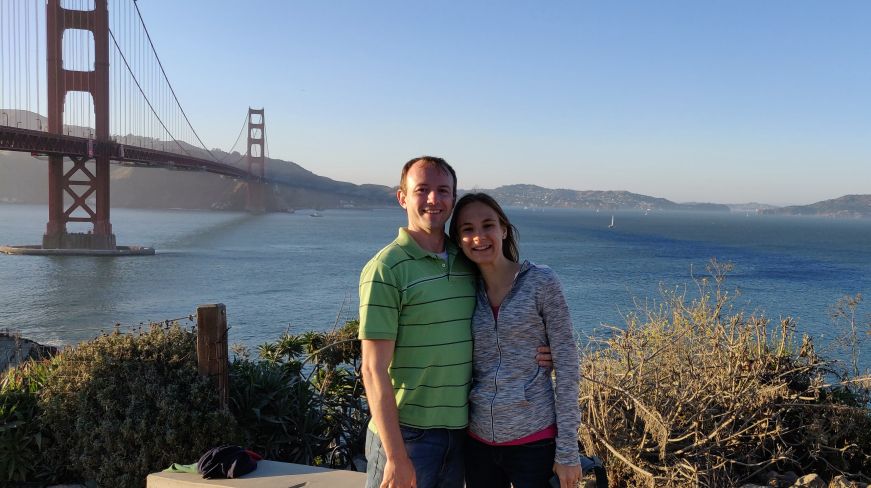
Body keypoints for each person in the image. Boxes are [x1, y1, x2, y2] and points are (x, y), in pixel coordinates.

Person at [359, 157, 551, 488]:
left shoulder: (467, 261)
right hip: (407, 436)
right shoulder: (386, 268)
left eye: (443, 190)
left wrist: (538, 350)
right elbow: (372, 369)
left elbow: (497, 316)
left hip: (462, 432)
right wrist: (395, 456)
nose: (433, 199)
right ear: (402, 197)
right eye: (422, 190)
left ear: (452, 198)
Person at [449, 193, 582, 488]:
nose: (479, 237)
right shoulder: (464, 291)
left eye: (488, 225)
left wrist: (568, 452)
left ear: (504, 229)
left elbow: (569, 369)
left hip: (534, 441)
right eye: (467, 229)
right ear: (458, 240)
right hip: (478, 442)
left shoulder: (541, 281)